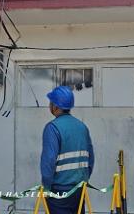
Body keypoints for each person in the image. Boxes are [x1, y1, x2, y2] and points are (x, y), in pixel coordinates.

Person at [40, 86, 94, 214]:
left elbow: (48, 162)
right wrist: (84, 180)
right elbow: (91, 159)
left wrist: (46, 188)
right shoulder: (82, 127)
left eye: (51, 102)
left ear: (56, 106)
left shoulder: (52, 128)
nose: (49, 105)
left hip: (59, 193)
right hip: (79, 191)